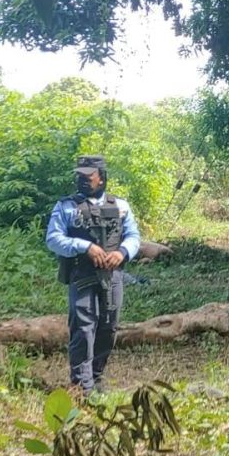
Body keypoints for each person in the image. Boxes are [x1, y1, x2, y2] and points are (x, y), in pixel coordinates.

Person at [46, 156, 140, 396]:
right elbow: (53, 239)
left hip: (112, 275)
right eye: (80, 175)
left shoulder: (121, 206)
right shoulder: (66, 206)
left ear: (102, 177)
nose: (83, 180)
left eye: (89, 175)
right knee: (83, 328)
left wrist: (122, 252)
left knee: (109, 327)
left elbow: (133, 237)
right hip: (82, 274)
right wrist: (84, 246)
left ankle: (97, 378)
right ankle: (81, 385)